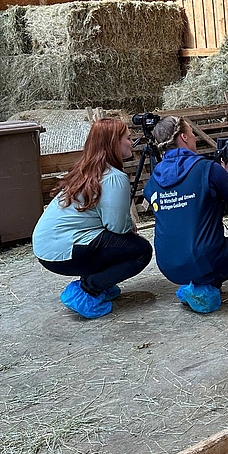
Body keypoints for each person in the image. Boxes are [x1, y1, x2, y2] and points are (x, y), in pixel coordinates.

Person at [32, 118, 153, 319]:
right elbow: (117, 226)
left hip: (47, 249)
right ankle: (87, 290)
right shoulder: (114, 177)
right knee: (140, 250)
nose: (131, 143)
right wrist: (129, 226)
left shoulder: (86, 171)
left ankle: (98, 282)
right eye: (127, 138)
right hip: (66, 250)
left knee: (113, 242)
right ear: (114, 142)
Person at [144, 116, 228, 314]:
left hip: (169, 266)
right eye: (191, 133)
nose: (193, 137)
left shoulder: (153, 180)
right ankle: (207, 284)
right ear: (183, 137)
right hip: (204, 260)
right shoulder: (206, 169)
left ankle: (196, 283)